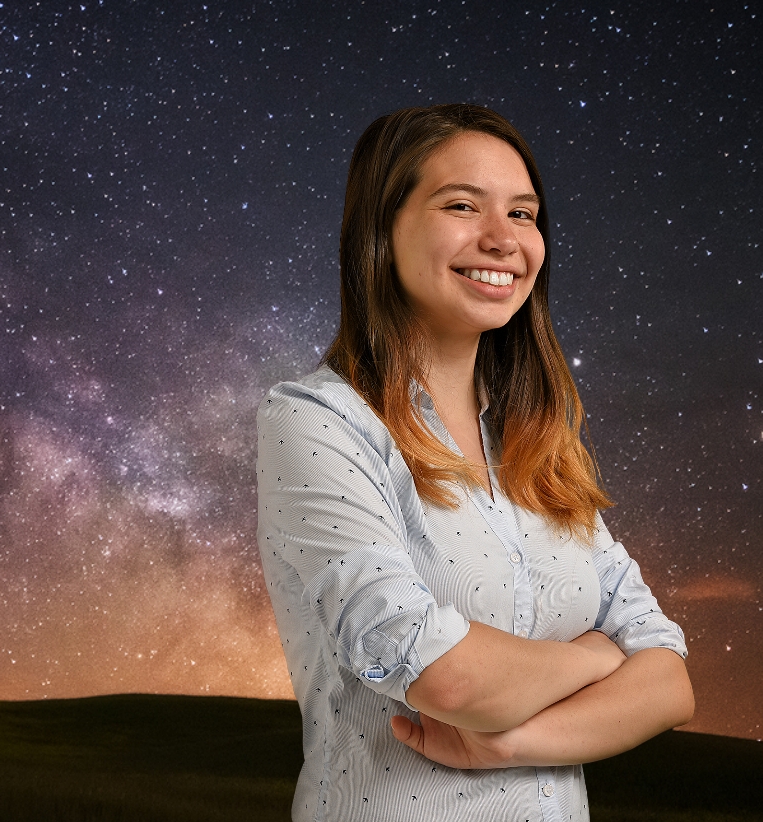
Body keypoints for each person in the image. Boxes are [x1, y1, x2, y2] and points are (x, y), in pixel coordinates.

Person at [256, 104, 694, 822]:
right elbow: (440, 676)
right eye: (462, 205)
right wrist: (597, 658)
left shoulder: (543, 451)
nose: (503, 239)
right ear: (380, 229)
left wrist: (511, 740)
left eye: (523, 215)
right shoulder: (316, 421)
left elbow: (670, 681)